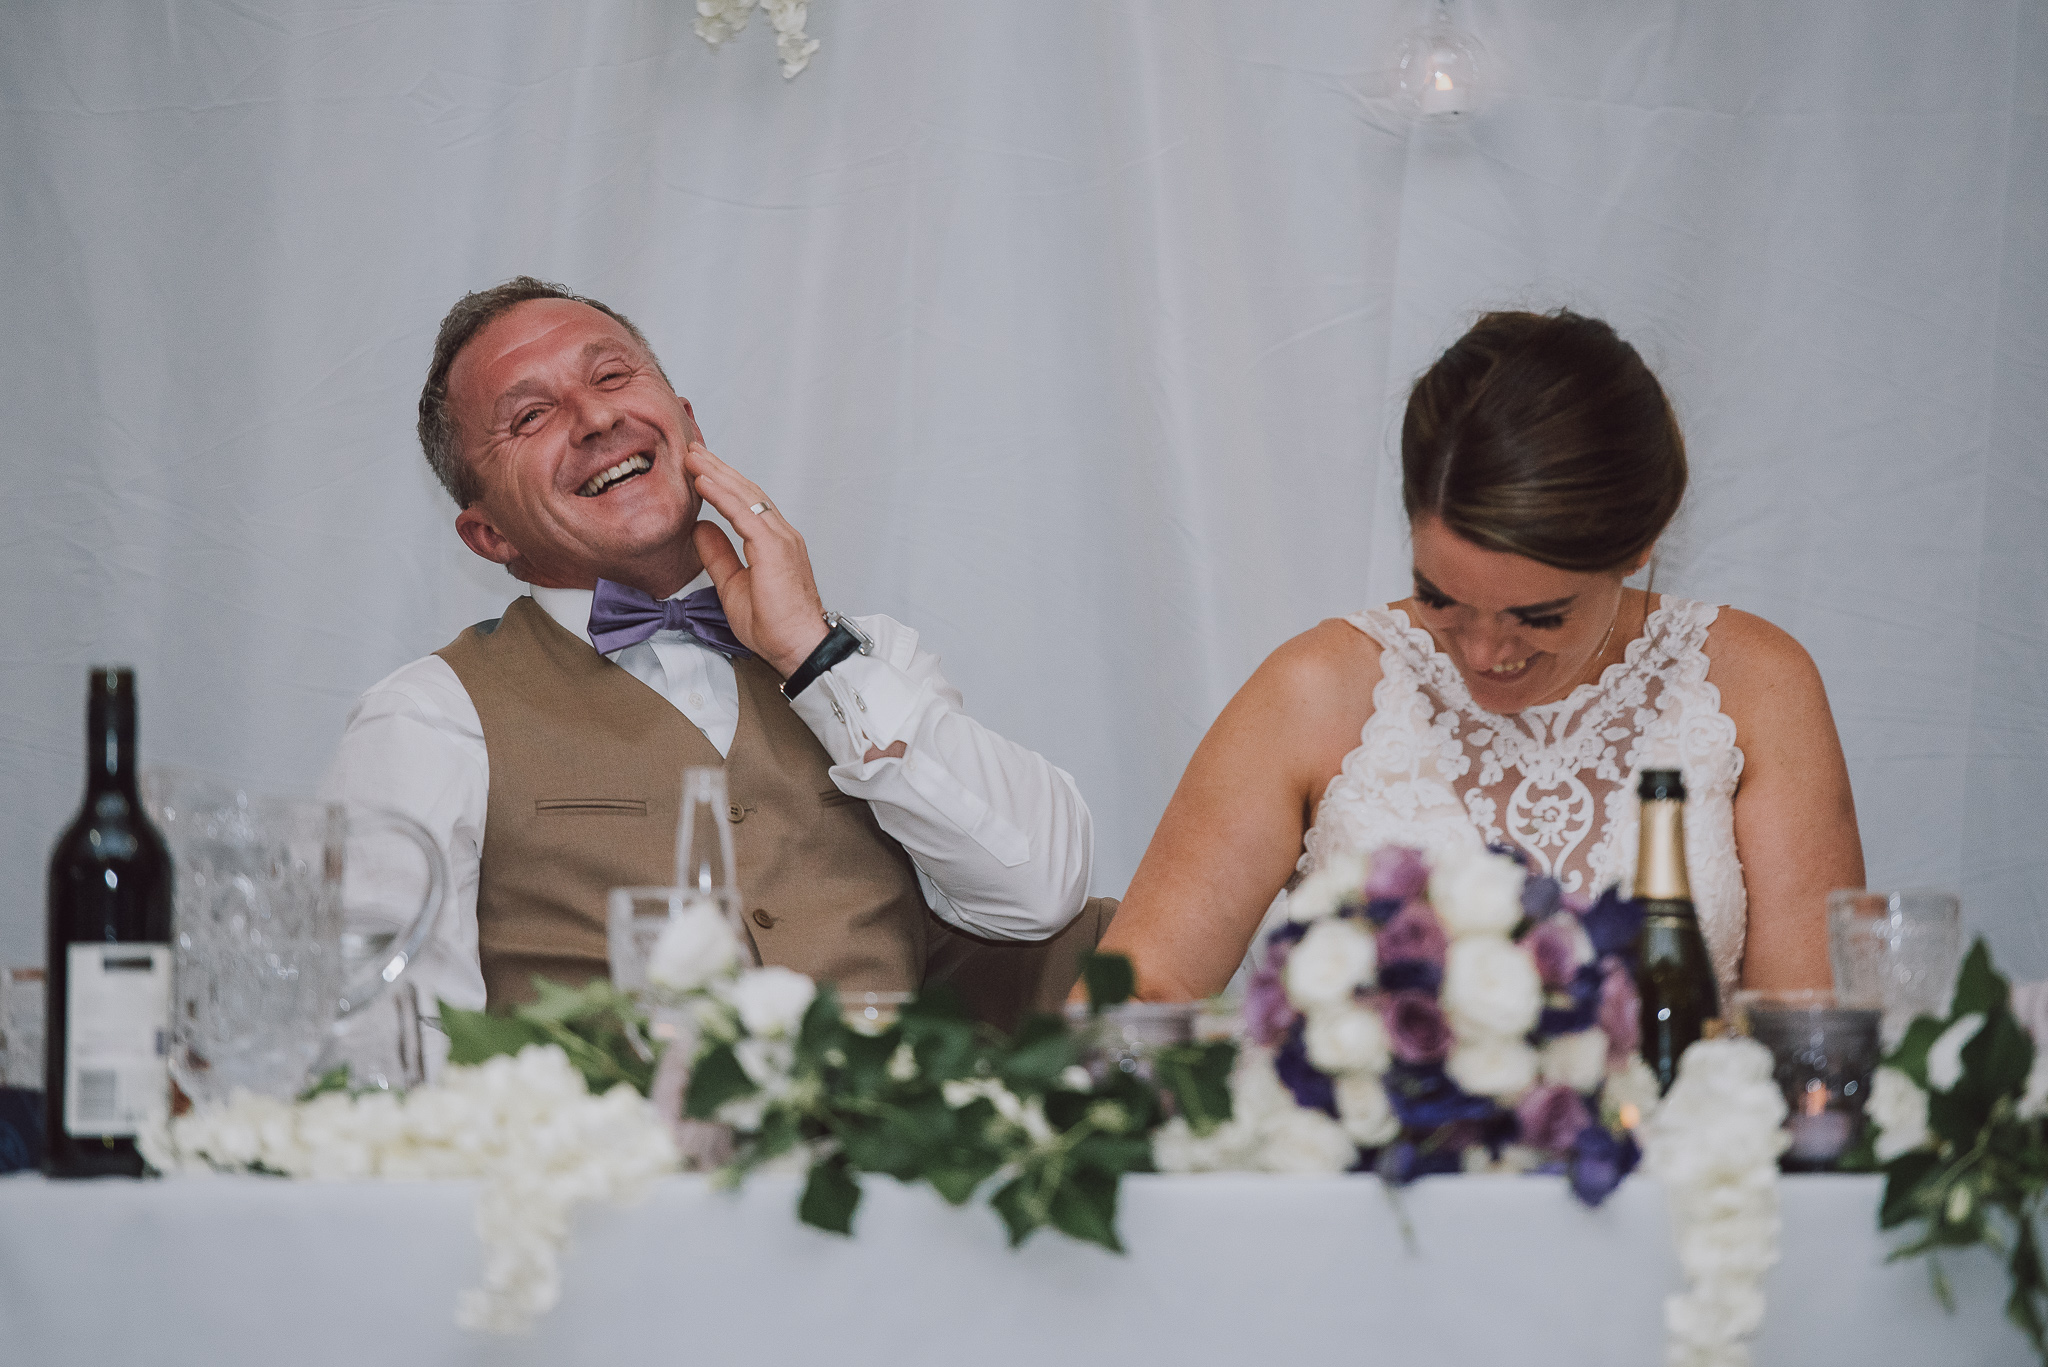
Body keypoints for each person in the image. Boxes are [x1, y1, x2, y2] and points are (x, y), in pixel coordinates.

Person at [323, 277, 1103, 1041]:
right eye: (530, 414)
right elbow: (391, 1044)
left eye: (612, 375)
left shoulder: (874, 659)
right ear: (488, 535)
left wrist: (815, 654)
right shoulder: (426, 718)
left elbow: (1041, 892)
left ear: (686, 424)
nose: (595, 416)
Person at [1098, 309, 1863, 1003]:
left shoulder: (1757, 686)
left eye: (1539, 614)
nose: (1485, 649)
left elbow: (1810, 1032)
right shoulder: (1313, 693)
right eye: (1441, 598)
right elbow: (1135, 992)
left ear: (1640, 544)